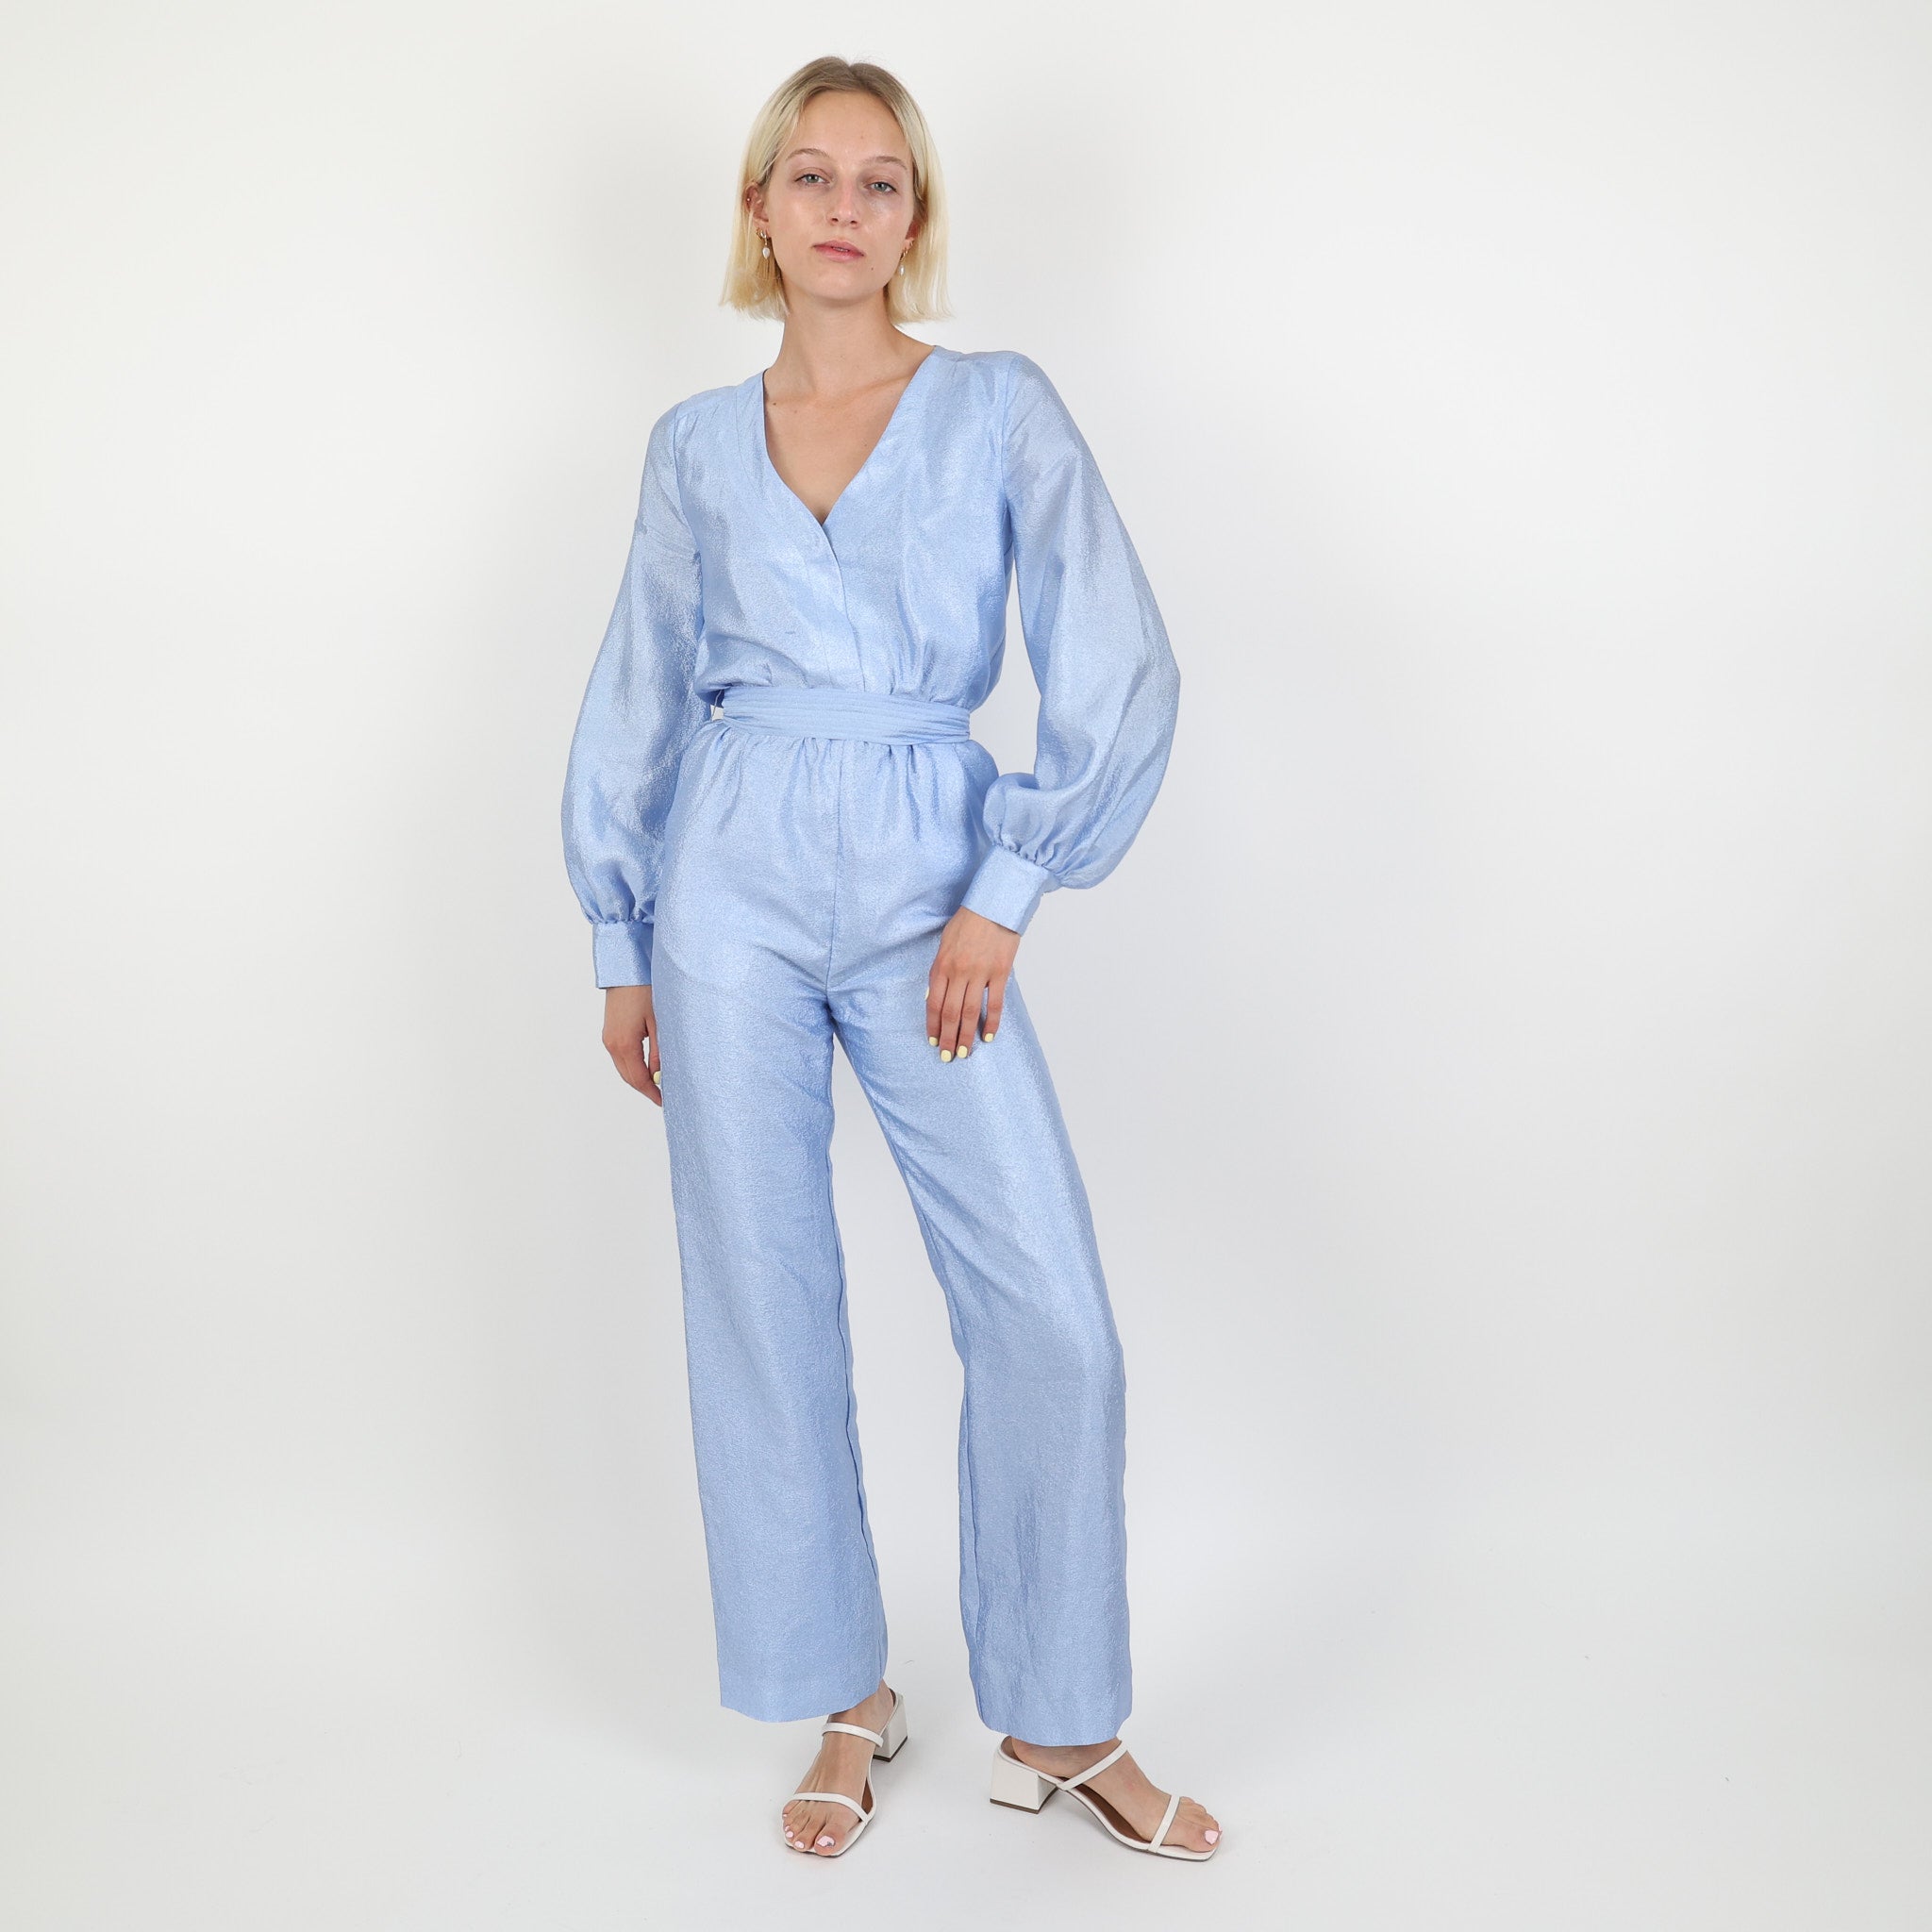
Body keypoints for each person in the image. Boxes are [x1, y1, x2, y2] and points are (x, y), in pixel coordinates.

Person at [560, 55, 1222, 1863]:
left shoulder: (999, 407)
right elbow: (640, 683)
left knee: (1049, 1311)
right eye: (811, 176)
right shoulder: (694, 446)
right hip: (727, 886)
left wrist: (1007, 891)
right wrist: (623, 936)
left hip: (939, 875)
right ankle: (844, 1696)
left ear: (914, 217)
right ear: (760, 212)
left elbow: (1120, 660)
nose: (844, 208)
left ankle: (1065, 1720)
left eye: (879, 180)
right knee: (761, 1290)